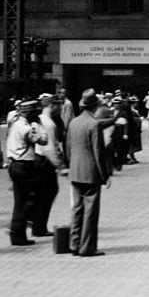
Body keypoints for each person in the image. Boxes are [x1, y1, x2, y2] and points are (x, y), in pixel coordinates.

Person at [65, 89, 110, 256]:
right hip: (90, 173)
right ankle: (87, 247)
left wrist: (70, 165)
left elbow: (68, 148)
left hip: (75, 171)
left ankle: (74, 244)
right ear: (95, 106)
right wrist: (105, 175)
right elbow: (98, 152)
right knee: (90, 212)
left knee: (77, 209)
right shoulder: (94, 124)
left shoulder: (73, 122)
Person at [4, 99, 47, 246]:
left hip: (15, 164)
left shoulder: (16, 124)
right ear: (29, 113)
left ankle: (18, 234)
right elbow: (42, 140)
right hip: (24, 165)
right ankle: (17, 227)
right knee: (33, 198)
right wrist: (39, 125)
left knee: (20, 201)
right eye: (35, 112)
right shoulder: (25, 127)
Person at [33, 95, 65, 237]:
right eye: (59, 105)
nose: (60, 108)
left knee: (42, 193)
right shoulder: (50, 124)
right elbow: (50, 148)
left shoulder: (39, 119)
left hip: (38, 159)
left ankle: (37, 224)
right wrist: (60, 166)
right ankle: (39, 226)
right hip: (46, 162)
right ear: (52, 105)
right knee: (49, 192)